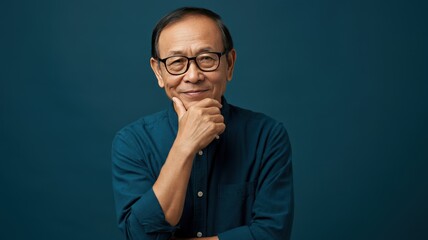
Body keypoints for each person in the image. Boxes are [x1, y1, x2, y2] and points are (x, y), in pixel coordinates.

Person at [112, 7, 293, 240]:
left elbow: (272, 234)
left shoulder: (267, 135)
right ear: (158, 72)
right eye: (177, 62)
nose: (193, 75)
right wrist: (184, 146)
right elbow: (139, 235)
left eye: (207, 59)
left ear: (230, 64)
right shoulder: (132, 142)